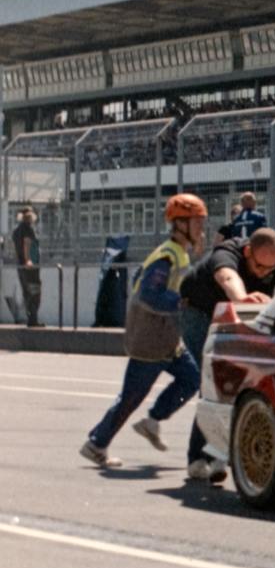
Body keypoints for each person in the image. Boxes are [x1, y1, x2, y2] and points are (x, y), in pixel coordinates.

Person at [80, 194, 209, 469]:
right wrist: (180, 302)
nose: (201, 228)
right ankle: (96, 443)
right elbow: (148, 295)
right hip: (151, 341)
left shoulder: (178, 252)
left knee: (192, 379)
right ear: (180, 224)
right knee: (130, 398)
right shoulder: (166, 256)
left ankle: (152, 420)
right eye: (197, 222)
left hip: (167, 340)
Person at [176, 227, 275, 482]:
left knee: (238, 382)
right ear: (247, 252)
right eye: (259, 267)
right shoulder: (227, 252)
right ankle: (202, 457)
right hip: (198, 312)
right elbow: (227, 278)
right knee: (212, 380)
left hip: (235, 317)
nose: (265, 274)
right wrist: (244, 299)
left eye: (271, 269)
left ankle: (216, 453)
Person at [10, 206, 42, 328]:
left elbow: (16, 247)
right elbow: (27, 243)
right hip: (30, 267)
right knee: (34, 291)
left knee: (26, 292)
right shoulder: (28, 229)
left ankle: (31, 319)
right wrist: (28, 260)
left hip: (20, 265)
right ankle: (33, 319)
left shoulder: (16, 231)